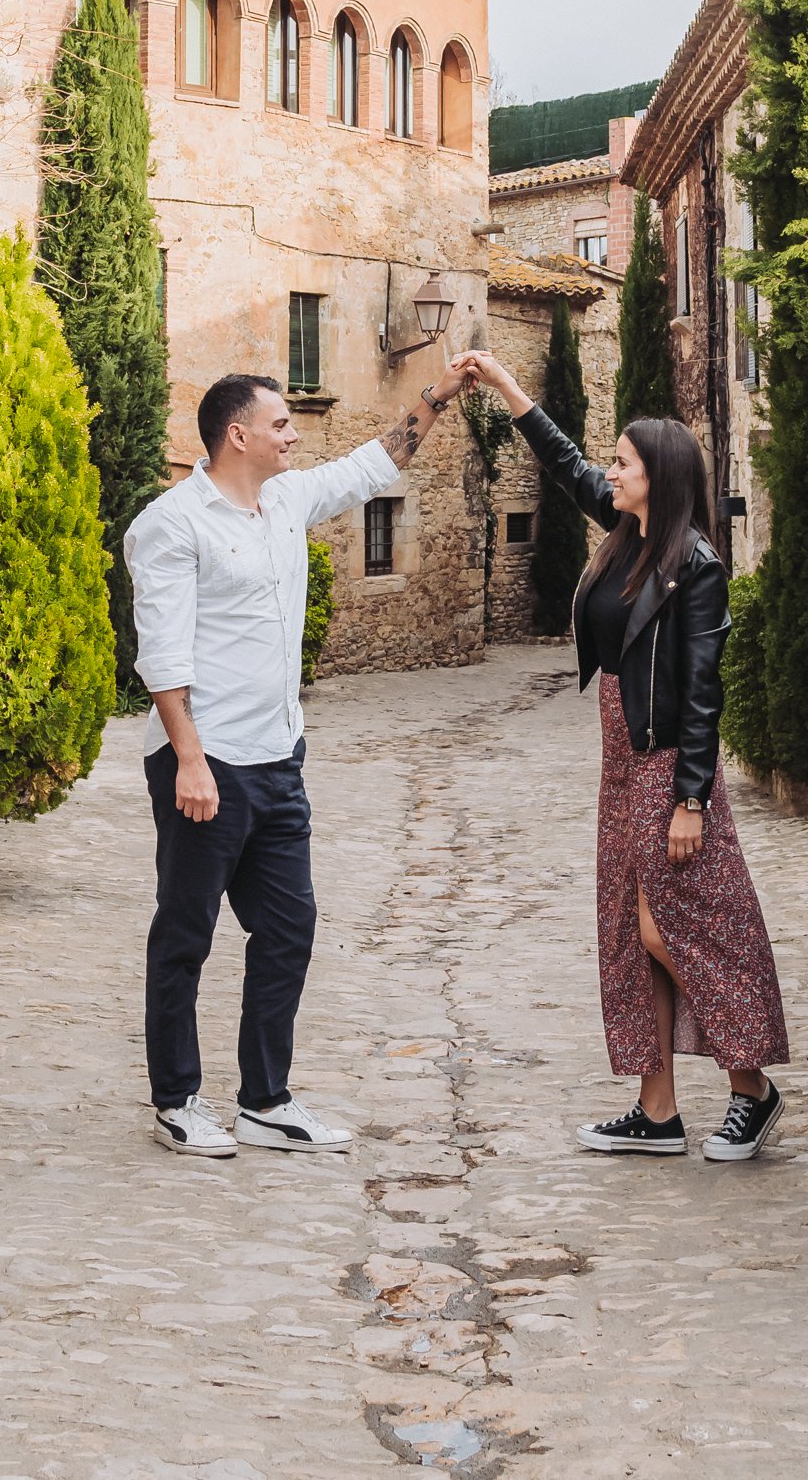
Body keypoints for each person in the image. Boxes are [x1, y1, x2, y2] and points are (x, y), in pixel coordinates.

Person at [125, 362, 472, 1158]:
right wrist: (188, 759)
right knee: (185, 933)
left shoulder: (285, 499)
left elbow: (372, 464)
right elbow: (163, 654)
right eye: (281, 424)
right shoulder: (172, 524)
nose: (293, 434)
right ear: (237, 434)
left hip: (279, 760)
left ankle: (264, 1101)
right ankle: (177, 1099)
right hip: (203, 763)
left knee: (288, 929)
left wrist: (440, 395)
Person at [452, 351, 789, 1163]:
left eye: (624, 462)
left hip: (668, 762)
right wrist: (504, 387)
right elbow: (565, 464)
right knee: (627, 933)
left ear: (659, 478)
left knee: (675, 925)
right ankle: (657, 1111)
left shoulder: (693, 569)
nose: (610, 470)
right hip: (620, 758)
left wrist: (691, 799)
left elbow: (703, 692)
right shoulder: (627, 534)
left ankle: (752, 1091)